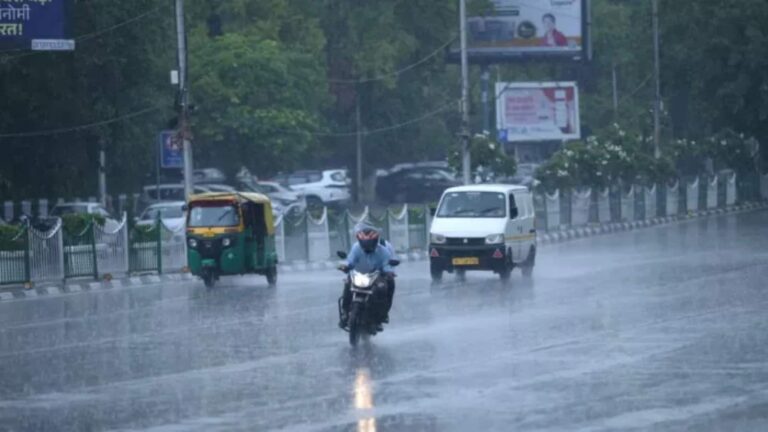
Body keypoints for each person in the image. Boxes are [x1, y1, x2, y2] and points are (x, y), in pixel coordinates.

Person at [338, 224, 396, 328]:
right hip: (358, 274)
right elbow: (350, 261)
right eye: (364, 243)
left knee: (387, 286)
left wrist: (389, 273)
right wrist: (345, 266)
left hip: (376, 277)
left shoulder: (383, 251)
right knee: (347, 283)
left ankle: (382, 315)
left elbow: (387, 265)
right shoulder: (356, 248)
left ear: (375, 241)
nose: (367, 246)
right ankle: (345, 312)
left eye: (369, 243)